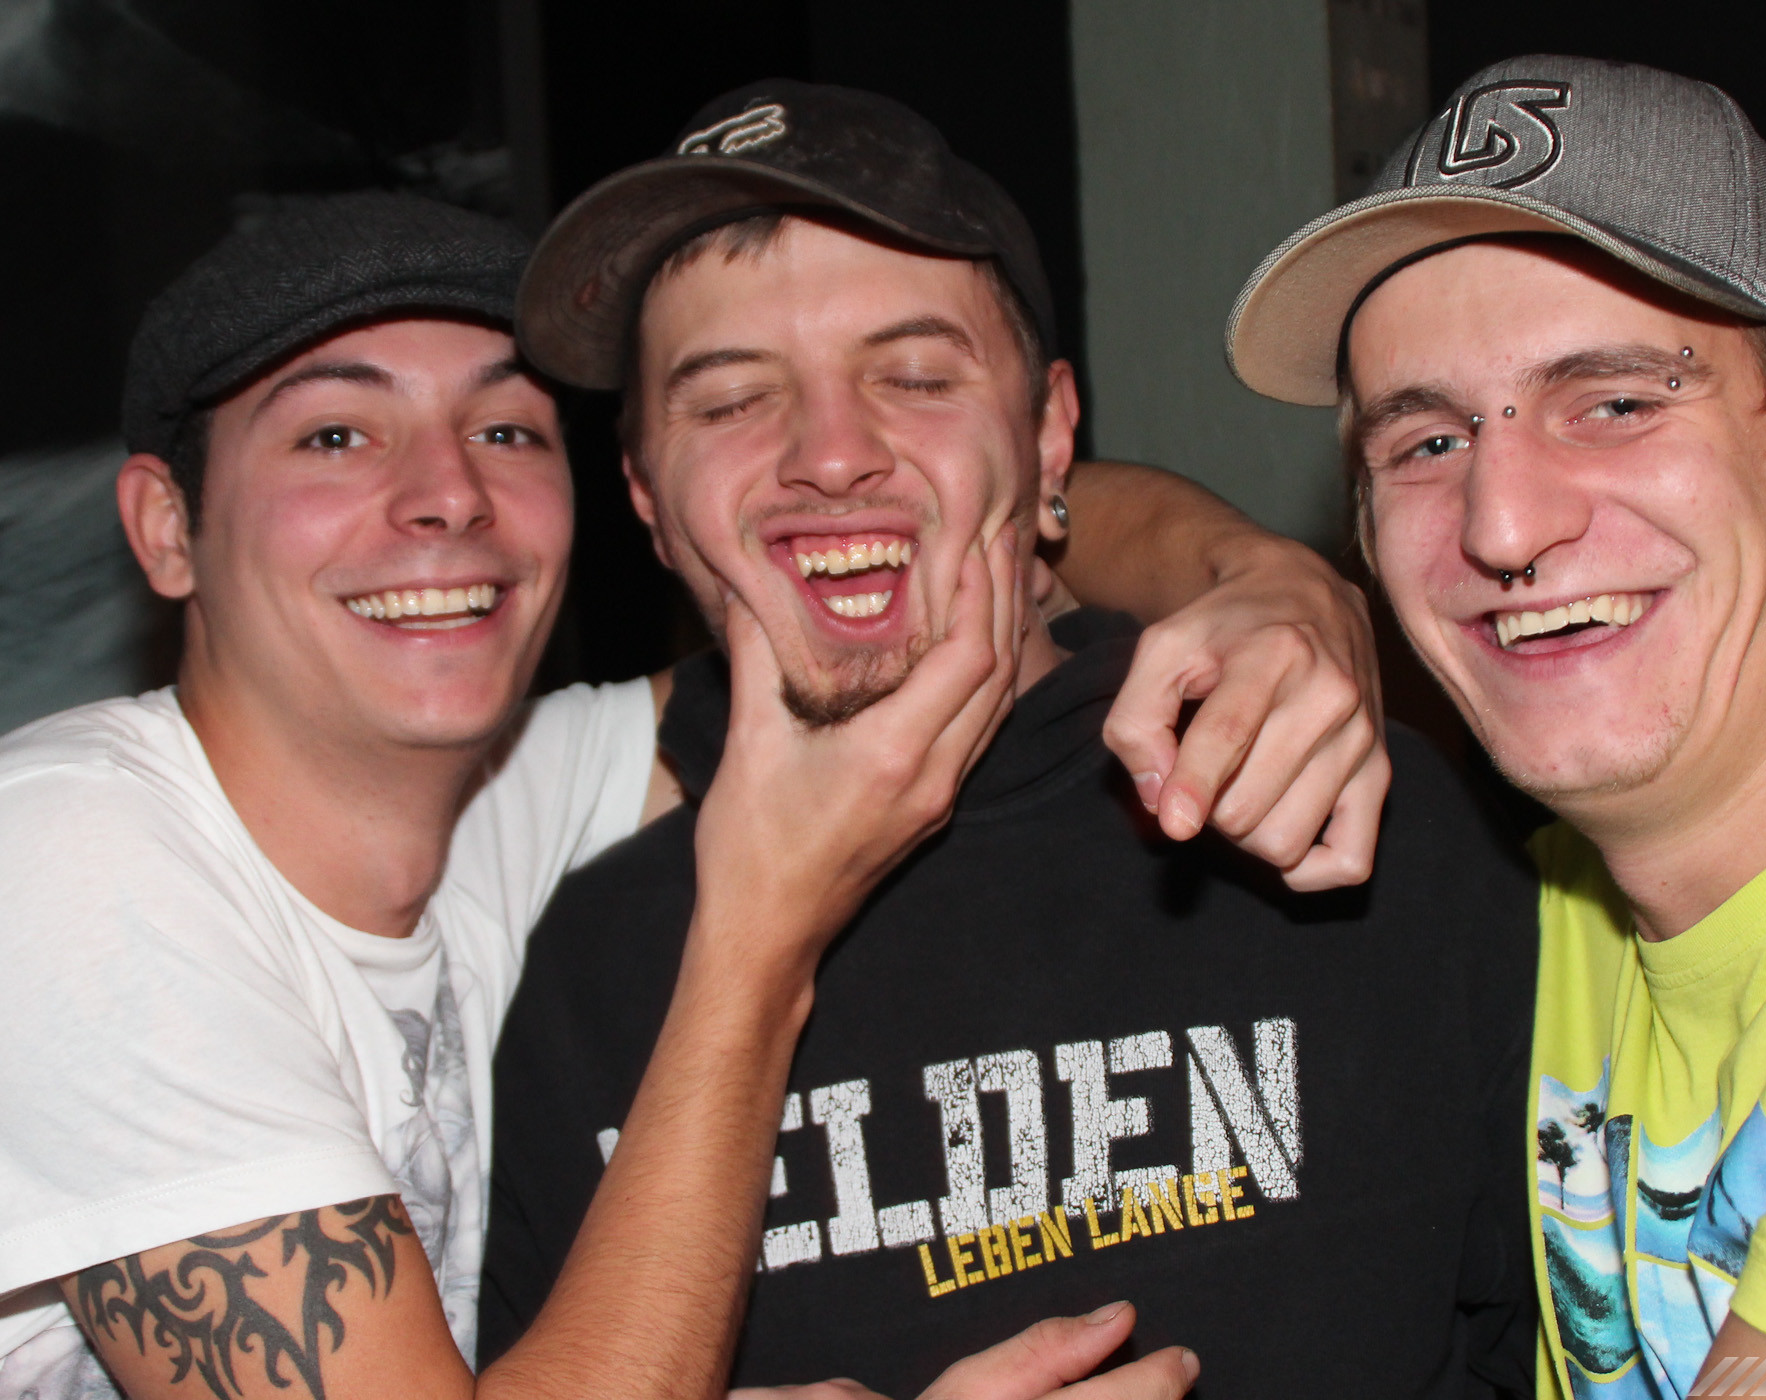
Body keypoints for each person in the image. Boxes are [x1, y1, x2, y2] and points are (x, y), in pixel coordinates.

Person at [0, 189, 1386, 1400]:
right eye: (335, 437)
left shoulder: (506, 802)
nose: (447, 496)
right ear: (166, 529)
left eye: (505, 428)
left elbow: (931, 545)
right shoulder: (71, 856)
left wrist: (1263, 578)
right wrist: (758, 934)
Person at [478, 81, 1538, 1399]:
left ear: (1048, 438)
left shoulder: (1349, 811)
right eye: (733, 399)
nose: (831, 456)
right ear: (645, 494)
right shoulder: (582, 979)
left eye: (916, 376)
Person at [1221, 52, 1766, 1394]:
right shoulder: (1548, 910)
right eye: (1428, 443)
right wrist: (1241, 570)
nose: (1504, 525)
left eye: (1618, 404)